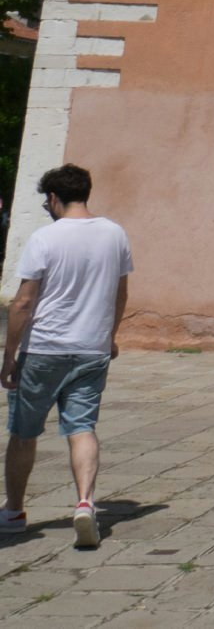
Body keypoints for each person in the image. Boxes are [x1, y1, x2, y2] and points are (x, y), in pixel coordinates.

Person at [1, 166, 132, 546]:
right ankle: (86, 503)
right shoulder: (115, 233)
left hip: (45, 347)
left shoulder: (45, 238)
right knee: (82, 426)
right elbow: (120, 294)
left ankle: (13, 511)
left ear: (54, 199)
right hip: (91, 347)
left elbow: (24, 302)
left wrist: (10, 355)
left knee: (24, 432)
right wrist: (109, 336)